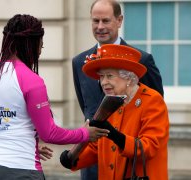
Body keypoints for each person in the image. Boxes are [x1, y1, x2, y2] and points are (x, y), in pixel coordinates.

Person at [0, 14, 109, 180]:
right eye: (40, 46)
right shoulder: (30, 79)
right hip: (19, 168)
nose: (40, 53)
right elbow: (49, 133)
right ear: (30, 44)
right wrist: (85, 133)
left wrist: (29, 143)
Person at [72, 0, 164, 179]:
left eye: (105, 21)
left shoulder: (142, 60)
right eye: (95, 21)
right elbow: (87, 108)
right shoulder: (79, 62)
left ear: (119, 20)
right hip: (92, 161)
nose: (100, 27)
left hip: (129, 160)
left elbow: (155, 106)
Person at [60, 44, 169, 179]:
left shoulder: (152, 100)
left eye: (109, 76)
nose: (103, 82)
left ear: (128, 77)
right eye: (101, 76)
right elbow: (97, 148)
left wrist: (115, 136)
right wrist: (73, 157)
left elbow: (150, 147)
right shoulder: (109, 103)